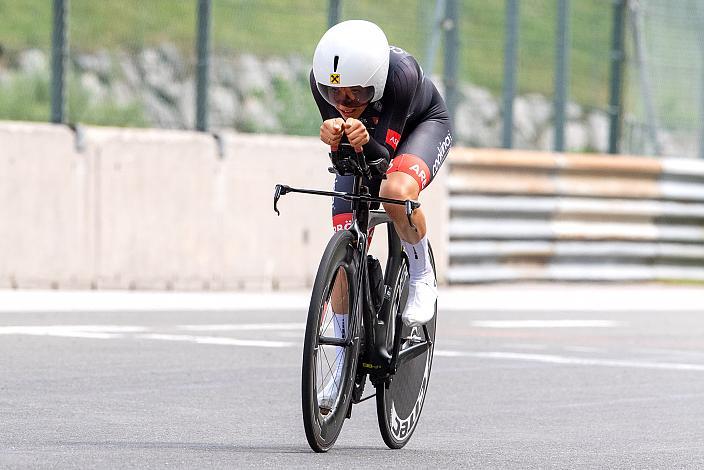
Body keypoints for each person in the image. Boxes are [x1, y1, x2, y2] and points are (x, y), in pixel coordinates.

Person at [310, 19, 452, 411]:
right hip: (372, 139)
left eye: (355, 94)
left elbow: (383, 161)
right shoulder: (321, 81)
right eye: (334, 93)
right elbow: (345, 163)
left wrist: (360, 138)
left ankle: (422, 276)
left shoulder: (402, 76)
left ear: (375, 81)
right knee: (343, 233)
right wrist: (338, 141)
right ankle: (340, 361)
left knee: (394, 191)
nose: (343, 101)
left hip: (418, 128)